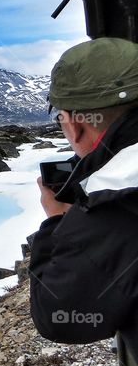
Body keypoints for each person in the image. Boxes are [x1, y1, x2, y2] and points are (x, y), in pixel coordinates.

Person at [29, 37, 138, 348]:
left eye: (60, 119)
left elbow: (58, 316)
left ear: (76, 126)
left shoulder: (113, 204)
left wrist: (58, 222)